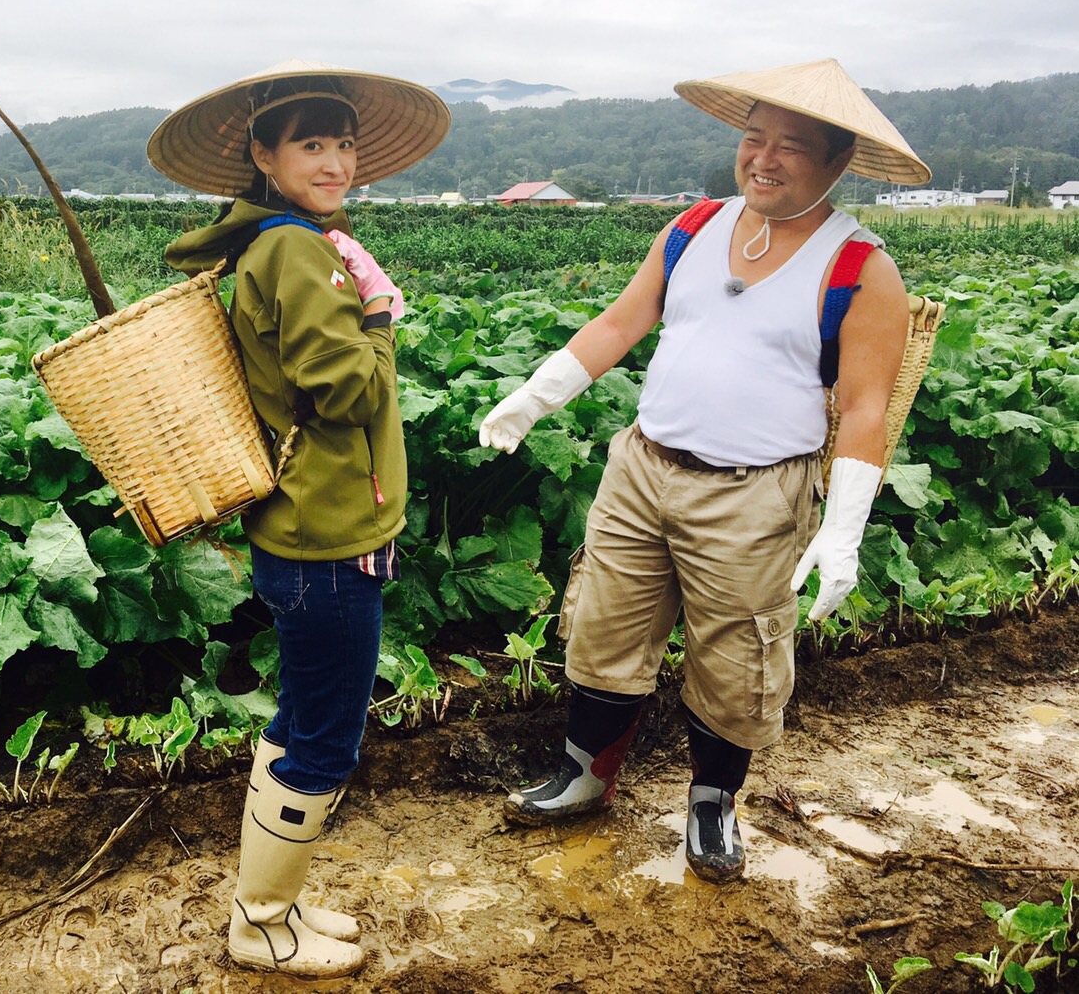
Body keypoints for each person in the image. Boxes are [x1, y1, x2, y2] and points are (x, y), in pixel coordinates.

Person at [477, 59, 931, 884]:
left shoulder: (861, 268)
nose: (764, 156)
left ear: (836, 164)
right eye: (754, 137)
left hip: (756, 493)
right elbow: (622, 321)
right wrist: (535, 396)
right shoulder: (691, 226)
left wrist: (843, 530)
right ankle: (586, 774)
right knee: (604, 629)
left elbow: (866, 407)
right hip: (644, 469)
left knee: (738, 659)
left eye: (791, 146)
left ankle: (713, 804)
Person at [146, 61, 449, 977]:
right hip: (326, 535)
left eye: (344, 142)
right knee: (325, 734)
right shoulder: (300, 248)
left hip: (308, 524)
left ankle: (270, 901)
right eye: (310, 144)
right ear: (263, 155)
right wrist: (384, 325)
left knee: (300, 719)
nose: (334, 161)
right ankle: (262, 923)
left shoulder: (275, 242)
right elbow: (345, 385)